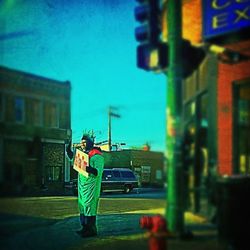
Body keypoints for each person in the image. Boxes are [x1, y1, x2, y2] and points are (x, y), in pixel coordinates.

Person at [66, 134, 104, 237]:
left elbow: (97, 172)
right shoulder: (83, 154)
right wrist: (67, 148)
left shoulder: (97, 155)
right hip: (82, 187)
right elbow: (71, 158)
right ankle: (84, 228)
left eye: (84, 142)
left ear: (90, 143)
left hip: (91, 187)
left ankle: (91, 230)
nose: (82, 144)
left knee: (89, 207)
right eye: (81, 142)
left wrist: (85, 167)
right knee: (82, 207)